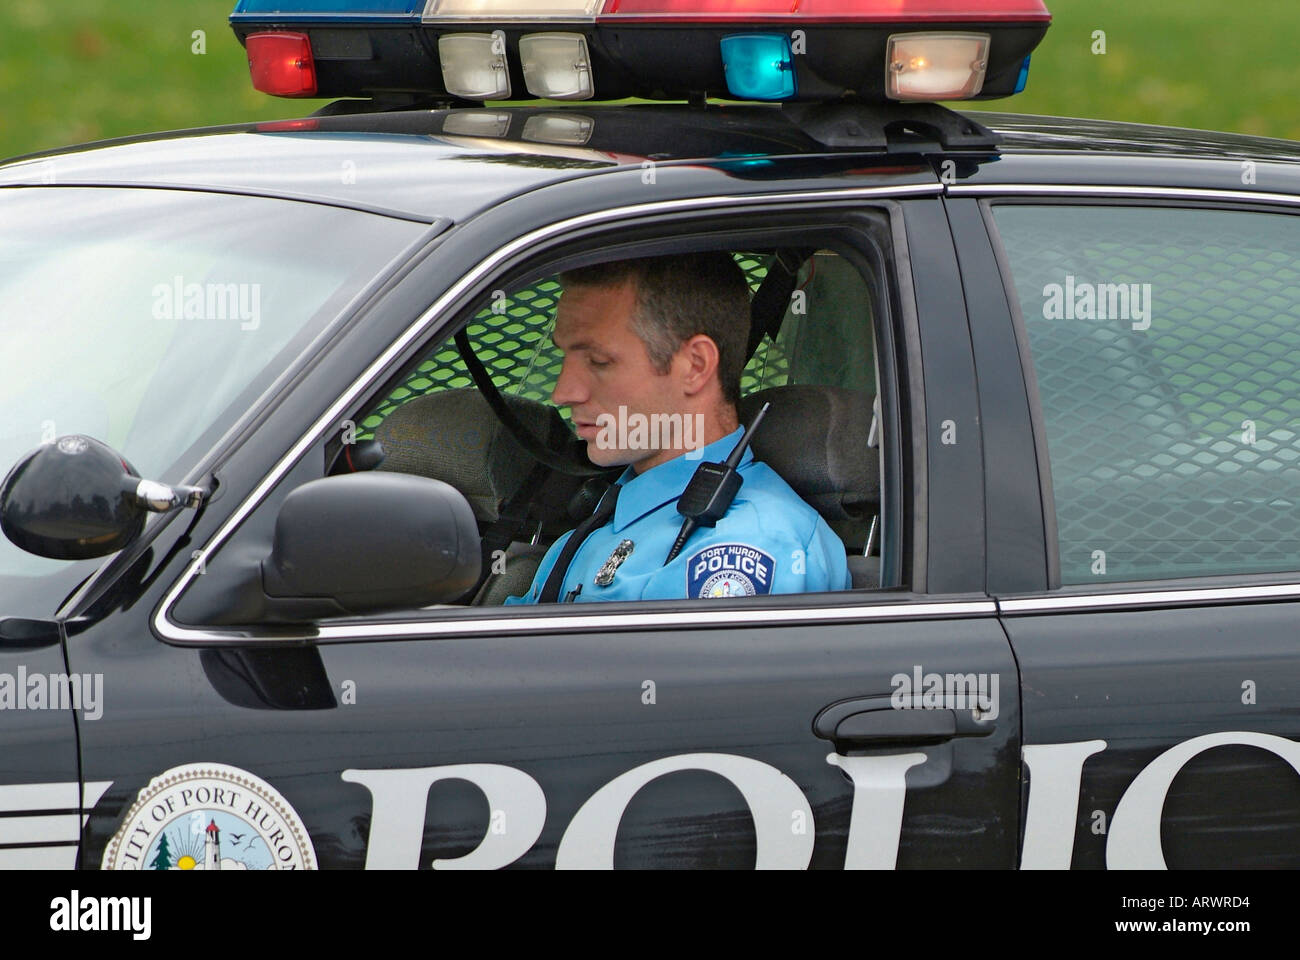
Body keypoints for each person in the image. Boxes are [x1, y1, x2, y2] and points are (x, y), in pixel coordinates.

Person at [505, 252, 851, 604]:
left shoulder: (743, 546)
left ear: (695, 366)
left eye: (598, 361)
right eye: (566, 357)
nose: (563, 392)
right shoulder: (599, 523)